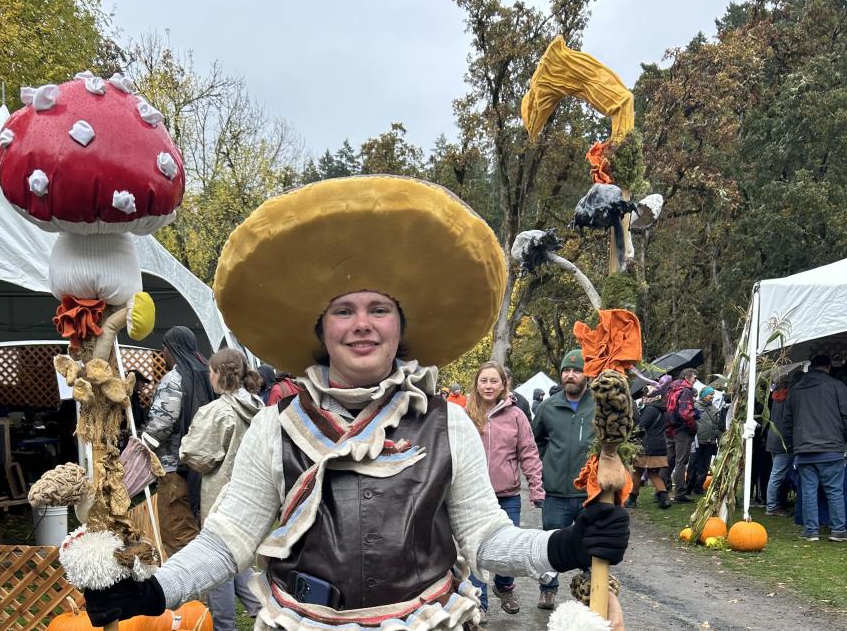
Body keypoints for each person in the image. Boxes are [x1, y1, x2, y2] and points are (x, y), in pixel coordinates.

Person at [82, 176, 627, 630]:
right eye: (343, 310)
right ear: (321, 328)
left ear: (401, 326)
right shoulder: (275, 427)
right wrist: (155, 591)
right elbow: (228, 542)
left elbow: (487, 539)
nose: (362, 324)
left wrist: (562, 546)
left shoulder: (449, 424)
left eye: (379, 309)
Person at [180, 348, 264, 629]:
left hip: (221, 497)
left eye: (211, 372)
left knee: (218, 565)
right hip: (253, 495)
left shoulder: (217, 412)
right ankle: (262, 608)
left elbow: (197, 456)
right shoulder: (258, 406)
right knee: (238, 556)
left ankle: (224, 626)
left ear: (218, 375)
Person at [465, 362, 545, 621]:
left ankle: (504, 586)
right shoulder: (465, 414)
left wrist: (536, 487)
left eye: (493, 381)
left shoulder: (516, 416)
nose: (488, 386)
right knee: (474, 549)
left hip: (507, 494)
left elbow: (529, 452)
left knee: (507, 546)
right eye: (484, 381)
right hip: (474, 495)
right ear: (476, 384)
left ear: (503, 385)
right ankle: (479, 603)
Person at [140, 326, 216, 556]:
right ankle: (209, 589)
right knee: (203, 531)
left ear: (172, 347)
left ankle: (190, 591)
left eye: (164, 347)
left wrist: (141, 445)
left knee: (178, 536)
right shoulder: (209, 375)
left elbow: (163, 423)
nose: (163, 353)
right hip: (207, 469)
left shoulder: (174, 379)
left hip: (176, 469)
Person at [531, 348, 596, 611]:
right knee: (552, 542)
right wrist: (548, 464)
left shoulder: (598, 404)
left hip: (590, 492)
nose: (571, 375)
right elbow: (535, 440)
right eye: (566, 371)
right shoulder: (548, 406)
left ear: (586, 374)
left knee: (589, 541)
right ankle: (547, 590)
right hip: (556, 491)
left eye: (576, 370)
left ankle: (593, 590)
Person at [782, 355, 847, 541]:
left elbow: (787, 422)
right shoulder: (837, 387)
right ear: (828, 367)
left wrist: (793, 446)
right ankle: (838, 530)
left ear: (811, 367)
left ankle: (811, 531)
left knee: (808, 491)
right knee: (835, 491)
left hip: (804, 449)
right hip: (831, 449)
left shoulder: (795, 390)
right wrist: (841, 439)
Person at [626, 387, 671, 509]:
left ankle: (632, 500)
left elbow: (641, 427)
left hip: (646, 446)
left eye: (645, 395)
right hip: (659, 445)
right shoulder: (661, 410)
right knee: (653, 474)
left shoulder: (650, 409)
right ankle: (664, 499)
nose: (643, 397)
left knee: (636, 472)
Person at [765, 373, 799, 516]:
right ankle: (772, 506)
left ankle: (775, 503)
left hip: (773, 439)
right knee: (777, 475)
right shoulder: (788, 399)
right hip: (783, 441)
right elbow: (788, 422)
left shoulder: (774, 398)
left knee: (776, 474)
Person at [665, 369, 698, 503]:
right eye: (694, 377)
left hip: (669, 429)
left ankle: (661, 491)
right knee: (681, 462)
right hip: (681, 430)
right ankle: (680, 493)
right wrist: (693, 426)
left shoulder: (672, 389)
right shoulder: (686, 391)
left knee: (668, 461)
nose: (695, 380)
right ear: (687, 377)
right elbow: (685, 413)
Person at [685, 387, 722, 495]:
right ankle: (688, 487)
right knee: (693, 464)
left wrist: (718, 439)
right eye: (710, 394)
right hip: (698, 441)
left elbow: (716, 425)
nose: (712, 396)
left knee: (705, 466)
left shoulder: (714, 408)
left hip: (710, 441)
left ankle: (699, 487)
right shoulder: (695, 406)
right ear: (704, 395)